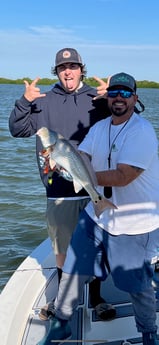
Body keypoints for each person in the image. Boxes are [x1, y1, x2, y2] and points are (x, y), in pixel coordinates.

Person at [36, 72, 159, 345]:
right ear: (107, 98)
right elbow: (84, 155)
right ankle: (61, 323)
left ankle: (150, 333)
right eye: (114, 92)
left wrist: (81, 176)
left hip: (134, 223)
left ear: (135, 99)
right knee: (72, 267)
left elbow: (123, 176)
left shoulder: (142, 132)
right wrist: (63, 159)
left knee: (136, 287)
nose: (118, 98)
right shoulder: (101, 127)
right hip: (97, 216)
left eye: (125, 94)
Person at [9, 47, 116, 321]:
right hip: (58, 190)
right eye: (62, 67)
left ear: (82, 69)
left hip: (94, 184)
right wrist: (24, 101)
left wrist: (111, 98)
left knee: (96, 246)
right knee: (61, 250)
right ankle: (61, 298)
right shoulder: (43, 100)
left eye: (73, 66)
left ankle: (97, 298)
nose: (67, 71)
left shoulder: (97, 97)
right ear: (56, 72)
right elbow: (17, 129)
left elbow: (122, 127)